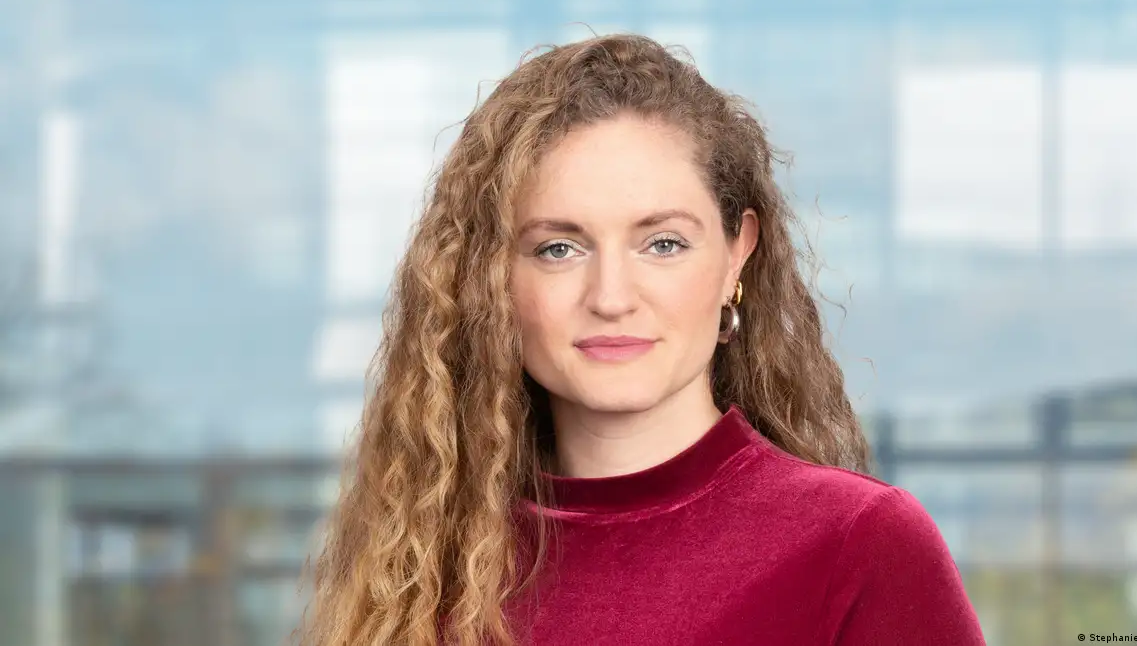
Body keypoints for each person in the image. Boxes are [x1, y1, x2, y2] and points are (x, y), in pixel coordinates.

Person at [297, 33, 986, 646]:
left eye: (662, 244)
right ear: (491, 279)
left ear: (737, 255)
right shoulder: (419, 563)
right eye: (559, 248)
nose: (611, 297)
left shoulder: (861, 545)